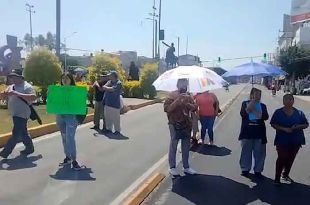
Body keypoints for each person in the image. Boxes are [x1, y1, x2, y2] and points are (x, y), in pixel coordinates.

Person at [270, 94, 309, 185]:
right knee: (282, 158)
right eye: (286, 100)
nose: (289, 101)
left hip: (296, 140)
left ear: (293, 101)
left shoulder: (299, 113)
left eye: (290, 99)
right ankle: (277, 178)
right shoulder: (278, 112)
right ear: (283, 101)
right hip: (282, 140)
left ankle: (285, 174)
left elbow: (306, 124)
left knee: (290, 158)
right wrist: (284, 129)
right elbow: (273, 124)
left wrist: (298, 126)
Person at [164, 78, 197, 176]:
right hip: (174, 124)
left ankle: (186, 167)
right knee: (174, 144)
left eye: (185, 84)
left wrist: (189, 104)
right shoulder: (171, 95)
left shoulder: (189, 96)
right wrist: (178, 100)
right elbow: (167, 109)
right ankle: (172, 167)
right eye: (182, 84)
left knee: (186, 145)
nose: (184, 86)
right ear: (178, 85)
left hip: (186, 124)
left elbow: (195, 107)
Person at [0, 69, 37, 159]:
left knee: (16, 133)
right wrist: (4, 94)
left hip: (22, 113)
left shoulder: (27, 87)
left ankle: (5, 153)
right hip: (14, 113)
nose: (13, 79)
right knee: (23, 131)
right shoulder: (11, 86)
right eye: (12, 77)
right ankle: (30, 148)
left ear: (20, 77)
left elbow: (33, 97)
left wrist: (17, 93)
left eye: (15, 76)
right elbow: (3, 96)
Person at [239, 88, 269, 177]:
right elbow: (244, 114)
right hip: (247, 132)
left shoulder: (263, 105)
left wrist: (257, 110)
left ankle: (258, 170)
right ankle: (245, 169)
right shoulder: (245, 103)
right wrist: (252, 103)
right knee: (246, 152)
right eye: (256, 95)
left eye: (259, 95)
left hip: (259, 133)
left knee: (259, 153)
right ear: (251, 95)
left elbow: (265, 117)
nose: (258, 97)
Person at [57, 73, 82, 171]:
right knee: (64, 138)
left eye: (67, 78)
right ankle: (68, 157)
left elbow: (79, 105)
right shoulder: (57, 91)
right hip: (60, 117)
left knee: (70, 138)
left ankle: (74, 160)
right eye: (63, 78)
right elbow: (53, 103)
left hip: (71, 118)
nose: (64, 80)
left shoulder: (76, 91)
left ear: (71, 79)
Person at [102, 71, 123, 135]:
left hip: (115, 104)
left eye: (110, 75)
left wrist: (107, 88)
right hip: (107, 103)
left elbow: (112, 89)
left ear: (114, 76)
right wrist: (107, 88)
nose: (108, 76)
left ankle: (117, 130)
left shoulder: (118, 83)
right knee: (108, 117)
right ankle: (109, 129)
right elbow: (104, 87)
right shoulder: (109, 82)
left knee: (116, 118)